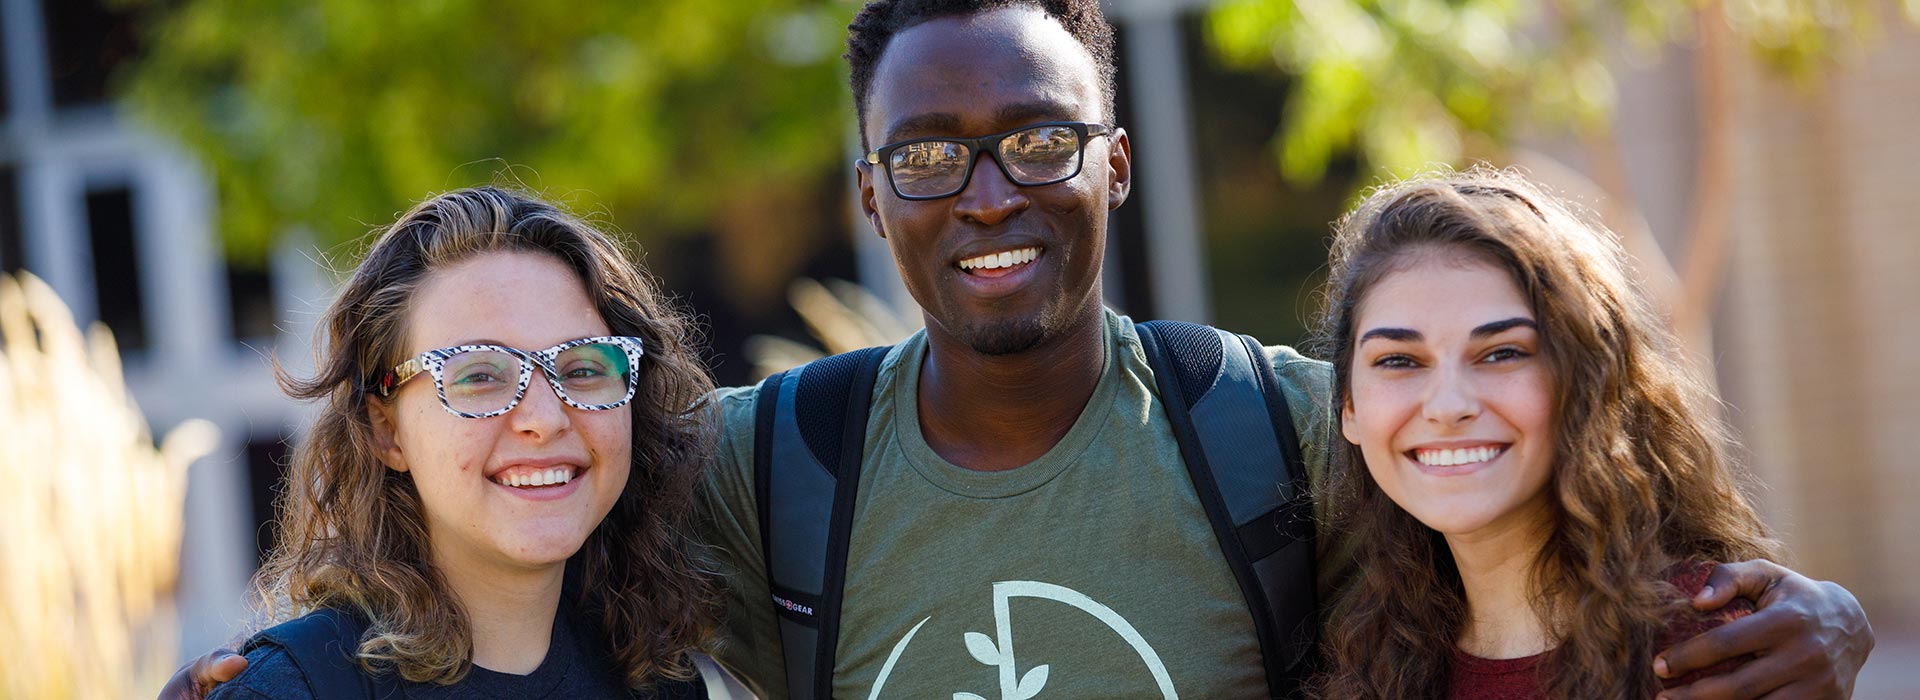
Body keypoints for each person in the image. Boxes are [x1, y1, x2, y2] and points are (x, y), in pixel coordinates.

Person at [167, 2, 1875, 698]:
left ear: (1114, 164)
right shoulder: (775, 463)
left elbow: (1533, 555)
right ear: (869, 194)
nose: (989, 193)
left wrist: (1813, 617)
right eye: (929, 154)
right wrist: (297, 673)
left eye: (1040, 141)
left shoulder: (1283, 427)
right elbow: (519, 538)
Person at [199, 187, 722, 699]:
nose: (545, 419)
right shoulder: (292, 690)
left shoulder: (659, 681)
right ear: (386, 430)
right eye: (479, 375)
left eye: (583, 367)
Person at [1312, 168, 1794, 699]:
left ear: (1587, 380)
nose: (1448, 406)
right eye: (1399, 360)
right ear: (1349, 406)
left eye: (1502, 353)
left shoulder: (1704, 645)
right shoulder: (1364, 656)